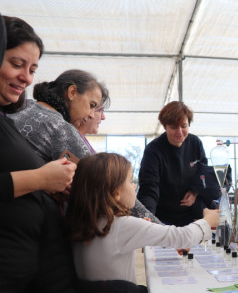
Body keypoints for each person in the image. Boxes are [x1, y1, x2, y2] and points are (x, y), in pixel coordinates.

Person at [65, 152, 220, 293]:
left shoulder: (83, 222)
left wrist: (142, 230)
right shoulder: (120, 225)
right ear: (116, 193)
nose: (134, 186)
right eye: (131, 181)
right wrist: (207, 220)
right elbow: (181, 237)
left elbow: (108, 252)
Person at [8, 68, 160, 223]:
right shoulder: (59, 128)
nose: (91, 114)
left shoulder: (22, 105)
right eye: (92, 105)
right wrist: (159, 228)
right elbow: (108, 181)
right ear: (72, 92)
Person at [0, 15, 76, 293]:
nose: (27, 78)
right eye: (17, 64)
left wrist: (49, 185)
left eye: (32, 69)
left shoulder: (6, 121)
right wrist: (41, 177)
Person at [137, 101, 219, 226]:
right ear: (165, 127)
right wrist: (147, 218)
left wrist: (195, 191)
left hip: (192, 217)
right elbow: (149, 189)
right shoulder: (153, 150)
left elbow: (203, 174)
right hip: (163, 218)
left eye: (184, 126)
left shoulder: (195, 143)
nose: (179, 131)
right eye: (174, 127)